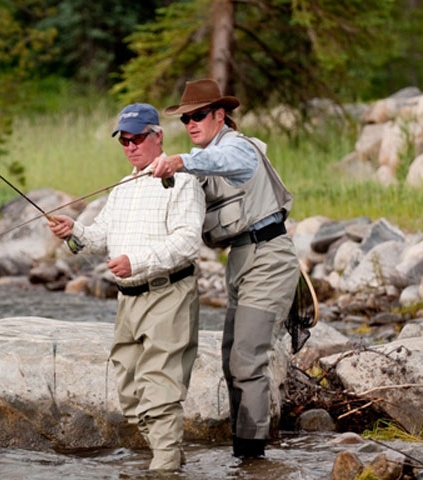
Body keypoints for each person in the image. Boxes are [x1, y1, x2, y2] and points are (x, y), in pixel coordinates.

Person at [47, 103, 205, 472]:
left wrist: (138, 261)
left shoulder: (182, 182)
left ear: (158, 136)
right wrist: (74, 233)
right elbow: (100, 237)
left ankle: (164, 468)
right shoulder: (122, 187)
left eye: (139, 138)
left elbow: (188, 243)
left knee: (160, 391)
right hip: (128, 302)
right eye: (125, 140)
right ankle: (172, 459)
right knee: (132, 397)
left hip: (169, 294)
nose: (132, 146)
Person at [151, 79, 300, 459]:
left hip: (268, 257)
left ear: (220, 114)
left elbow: (226, 162)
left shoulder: (237, 147)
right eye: (186, 119)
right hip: (241, 260)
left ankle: (251, 457)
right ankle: (245, 451)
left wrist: (182, 161)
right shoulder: (201, 160)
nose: (191, 124)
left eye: (199, 115)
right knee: (231, 357)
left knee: (247, 360)